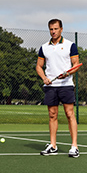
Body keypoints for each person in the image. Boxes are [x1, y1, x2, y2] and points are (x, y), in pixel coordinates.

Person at [36, 19, 80, 157]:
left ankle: (74, 146)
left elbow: (76, 64)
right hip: (51, 86)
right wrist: (44, 78)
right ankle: (53, 146)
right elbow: (39, 66)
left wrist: (67, 73)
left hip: (66, 85)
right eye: (51, 29)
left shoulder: (70, 45)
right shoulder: (44, 47)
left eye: (55, 29)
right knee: (52, 115)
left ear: (61, 29)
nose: (53, 31)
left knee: (69, 114)